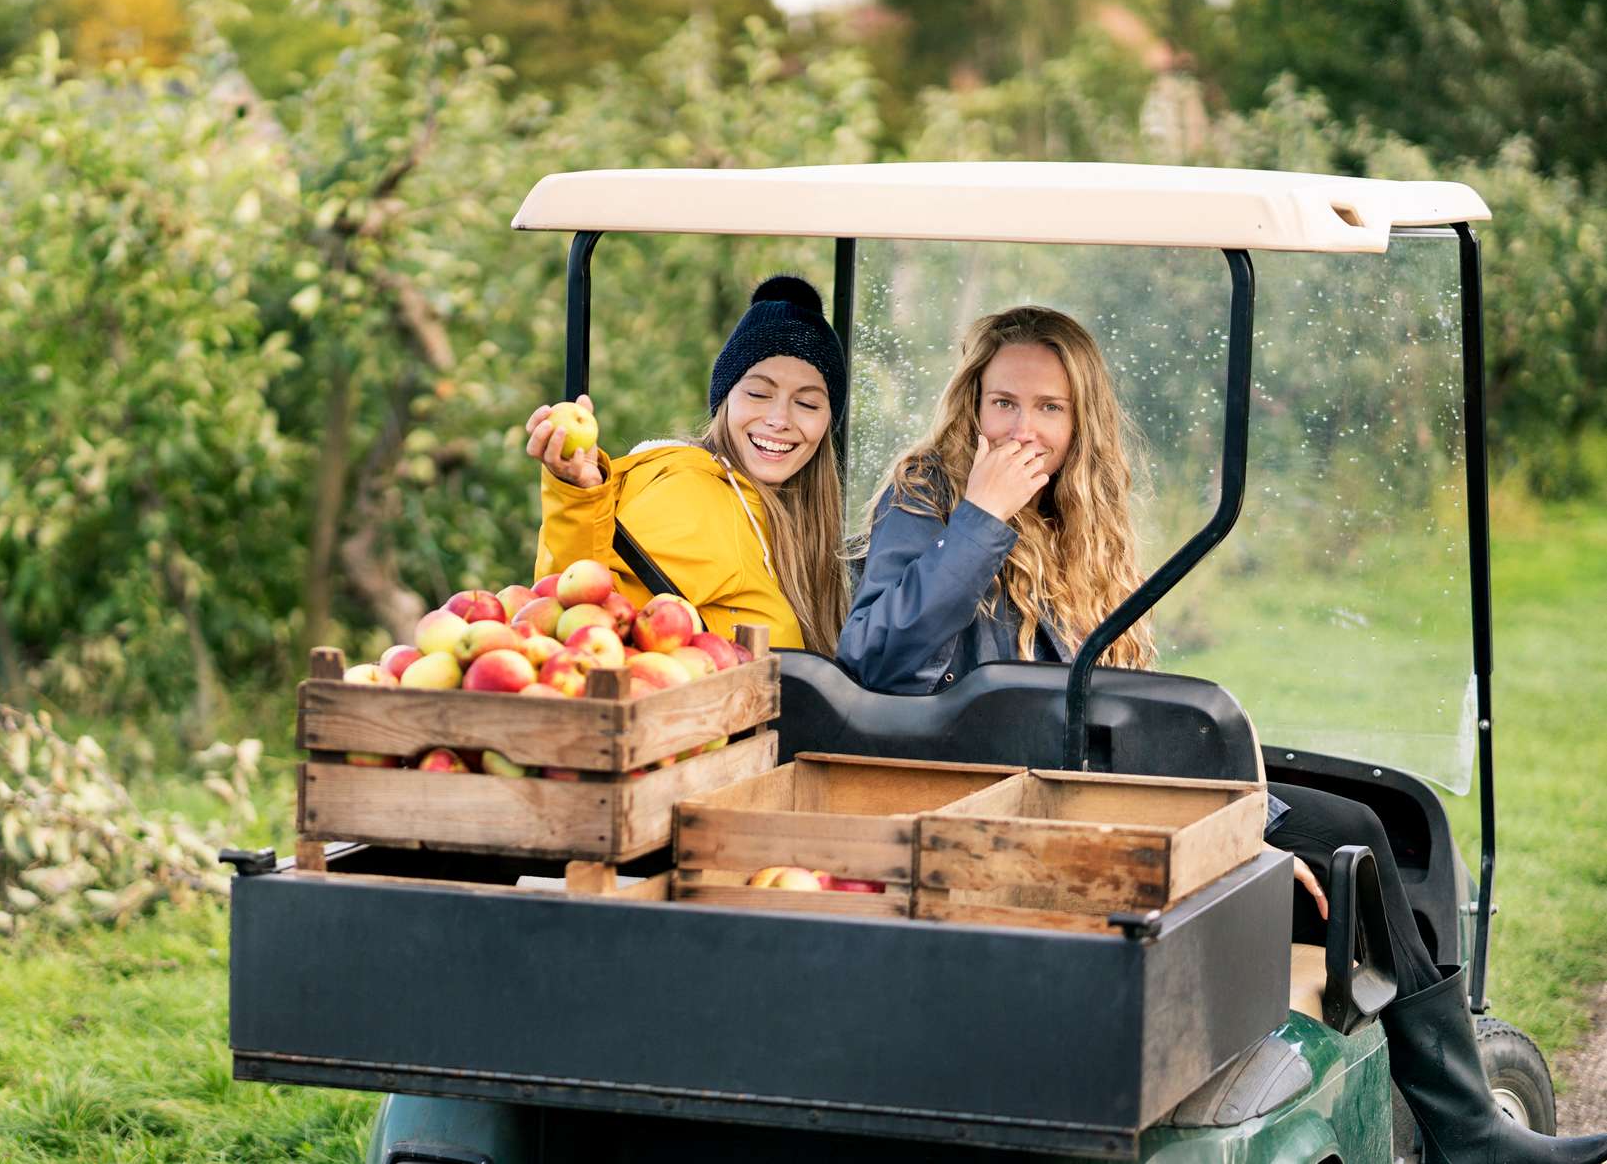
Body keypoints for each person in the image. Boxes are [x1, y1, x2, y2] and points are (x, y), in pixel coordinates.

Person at [838, 304, 1607, 1164]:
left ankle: (1453, 1119)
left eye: (1048, 408)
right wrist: (980, 519)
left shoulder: (1078, 515)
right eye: (1003, 402)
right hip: (1012, 816)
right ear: (970, 405)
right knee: (1342, 847)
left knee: (1366, 826)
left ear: (1080, 416)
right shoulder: (930, 494)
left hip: (1104, 791)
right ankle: (1465, 1131)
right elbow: (877, 660)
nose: (1023, 428)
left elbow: (1126, 716)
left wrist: (1247, 818)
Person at [526, 274, 848, 654]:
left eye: (807, 403)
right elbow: (585, 616)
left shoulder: (784, 517)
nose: (779, 418)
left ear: (828, 421)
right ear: (725, 400)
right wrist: (579, 493)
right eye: (759, 393)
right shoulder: (692, 492)